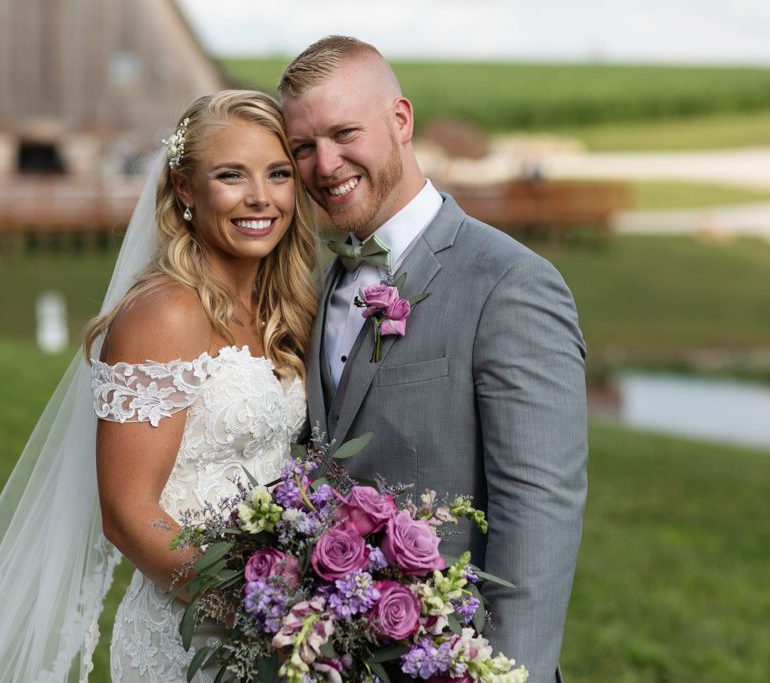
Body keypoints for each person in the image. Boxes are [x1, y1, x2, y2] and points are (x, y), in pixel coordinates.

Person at [0, 90, 318, 683]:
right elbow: (126, 514)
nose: (261, 198)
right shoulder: (165, 314)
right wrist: (260, 614)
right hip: (193, 633)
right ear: (183, 188)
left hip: (279, 630)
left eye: (277, 174)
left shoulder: (280, 308)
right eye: (231, 175)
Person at [280, 36, 588, 683]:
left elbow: (539, 512)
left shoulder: (508, 283)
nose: (325, 164)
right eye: (303, 147)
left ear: (400, 121)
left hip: (459, 664)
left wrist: (501, 674)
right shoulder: (317, 284)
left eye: (343, 134)